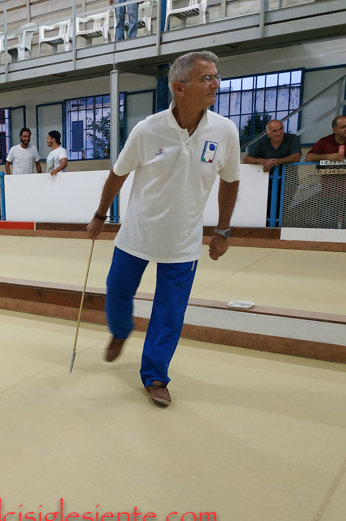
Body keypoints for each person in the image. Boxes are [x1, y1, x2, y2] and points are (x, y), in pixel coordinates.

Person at [86, 50, 240, 408]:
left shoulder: (225, 131)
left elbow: (230, 180)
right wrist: (100, 215)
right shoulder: (147, 130)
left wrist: (223, 231)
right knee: (117, 292)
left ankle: (155, 375)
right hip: (136, 235)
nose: (215, 84)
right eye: (206, 78)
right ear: (179, 88)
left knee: (169, 314)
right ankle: (120, 331)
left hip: (183, 243)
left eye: (216, 77)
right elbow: (118, 174)